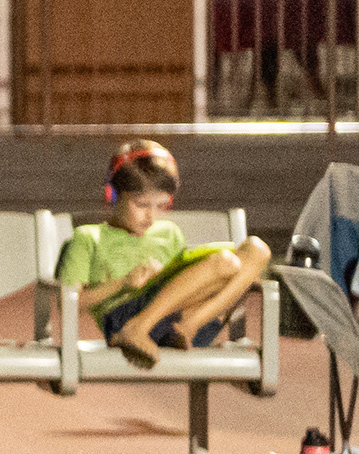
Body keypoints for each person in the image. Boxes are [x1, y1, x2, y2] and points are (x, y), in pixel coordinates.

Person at [58, 138, 274, 366]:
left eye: (160, 206)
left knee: (257, 250)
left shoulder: (169, 232)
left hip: (179, 325)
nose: (150, 216)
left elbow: (187, 288)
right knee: (225, 263)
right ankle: (137, 328)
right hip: (123, 319)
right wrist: (122, 284)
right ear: (112, 194)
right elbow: (69, 304)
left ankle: (187, 327)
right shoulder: (88, 237)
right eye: (141, 204)